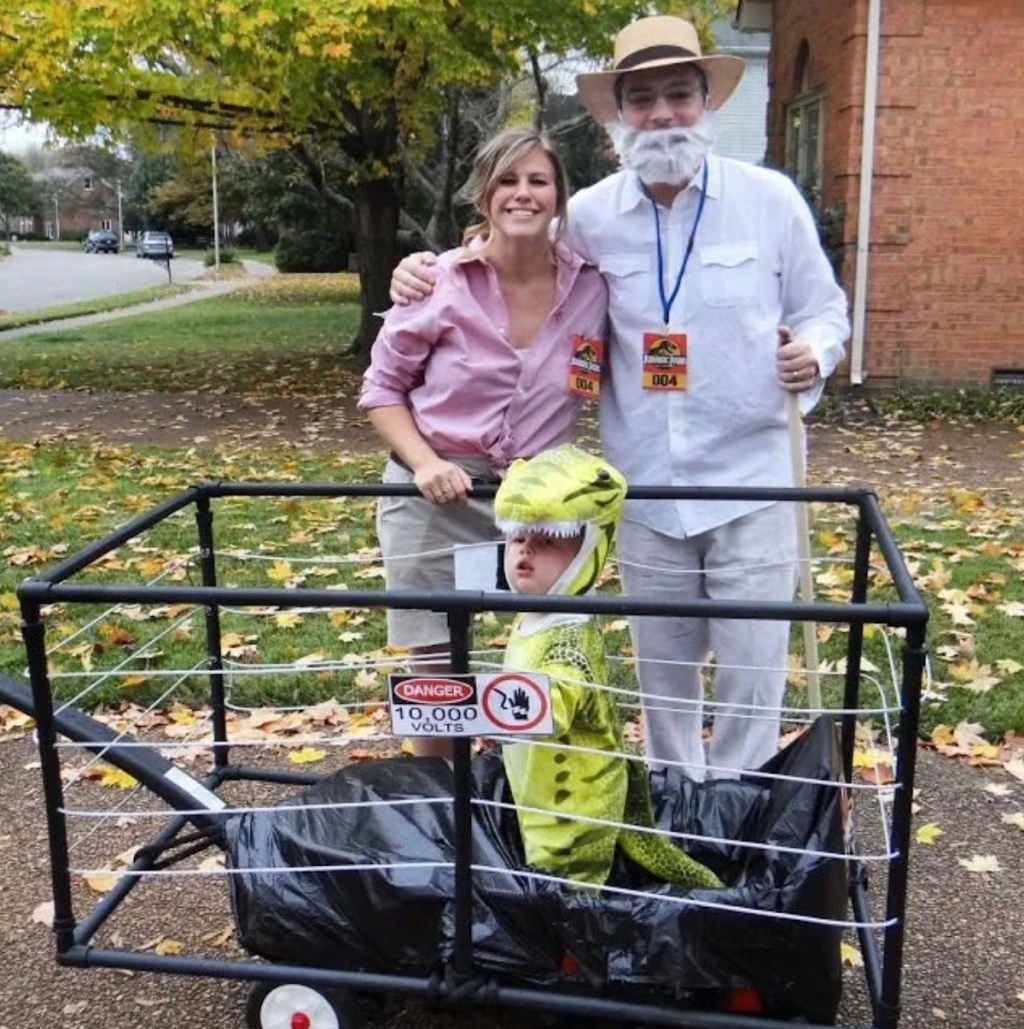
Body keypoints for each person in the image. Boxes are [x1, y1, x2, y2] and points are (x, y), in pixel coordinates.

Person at [389, 16, 850, 780]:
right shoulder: (592, 215)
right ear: (618, 115)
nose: (662, 113)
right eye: (642, 99)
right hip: (647, 492)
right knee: (660, 676)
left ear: (706, 103)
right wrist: (425, 269)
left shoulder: (770, 201)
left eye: (678, 94)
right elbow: (508, 244)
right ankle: (675, 797)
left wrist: (817, 350)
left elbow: (826, 309)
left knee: (752, 671)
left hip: (753, 482)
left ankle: (737, 815)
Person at [358, 127, 607, 757]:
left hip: (538, 509)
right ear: (485, 195)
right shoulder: (437, 280)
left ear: (559, 196)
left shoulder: (591, 289)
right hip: (438, 497)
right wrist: (424, 464)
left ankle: (521, 800)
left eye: (538, 180)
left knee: (541, 657)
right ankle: (443, 816)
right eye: (508, 180)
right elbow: (381, 391)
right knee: (438, 670)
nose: (523, 194)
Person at [494, 443, 721, 889]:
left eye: (547, 542)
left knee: (567, 890)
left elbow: (545, 708)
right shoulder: (539, 616)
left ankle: (573, 957)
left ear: (586, 554)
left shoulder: (564, 640)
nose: (525, 552)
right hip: (538, 791)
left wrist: (473, 708)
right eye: (518, 538)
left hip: (570, 807)